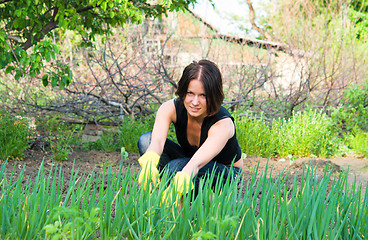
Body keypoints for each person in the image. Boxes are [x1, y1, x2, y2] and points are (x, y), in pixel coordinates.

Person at [137, 59, 243, 199]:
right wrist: (149, 161)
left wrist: (183, 175)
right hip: (191, 161)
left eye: (203, 95)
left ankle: (211, 200)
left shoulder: (223, 125)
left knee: (174, 168)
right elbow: (156, 142)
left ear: (213, 96)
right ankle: (167, 193)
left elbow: (195, 163)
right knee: (146, 141)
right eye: (190, 93)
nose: (194, 102)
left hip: (225, 172)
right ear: (183, 92)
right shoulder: (169, 108)